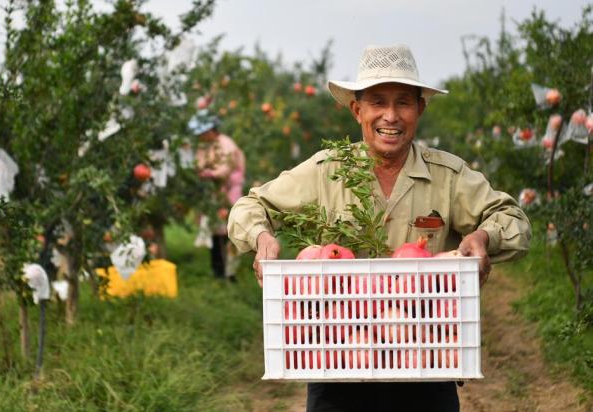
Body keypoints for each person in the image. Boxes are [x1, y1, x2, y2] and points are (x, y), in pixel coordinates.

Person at [227, 44, 531, 411]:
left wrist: (484, 237)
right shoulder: (327, 170)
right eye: (377, 103)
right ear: (357, 110)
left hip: (426, 358)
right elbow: (251, 205)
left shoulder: (448, 176)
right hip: (337, 363)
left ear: (420, 108)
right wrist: (262, 239)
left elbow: (514, 221)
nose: (391, 116)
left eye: (403, 102)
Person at [189, 110, 246, 282]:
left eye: (202, 132)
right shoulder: (204, 146)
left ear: (210, 130)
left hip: (228, 192)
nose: (199, 136)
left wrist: (212, 173)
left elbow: (226, 168)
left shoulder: (226, 144)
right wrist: (202, 170)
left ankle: (230, 272)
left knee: (229, 232)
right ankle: (217, 270)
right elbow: (198, 162)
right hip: (214, 192)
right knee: (214, 231)